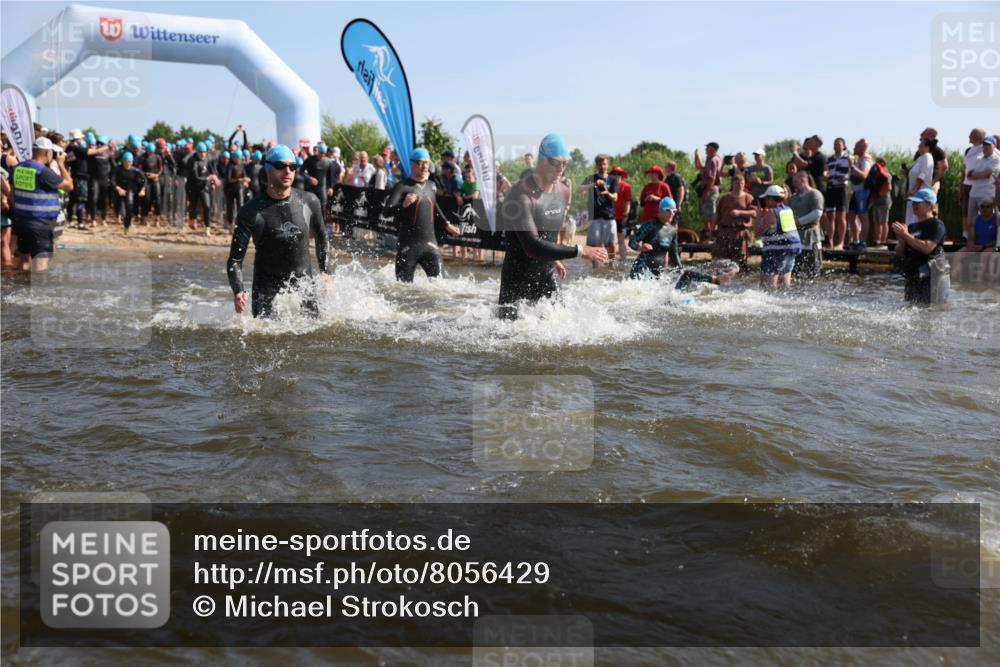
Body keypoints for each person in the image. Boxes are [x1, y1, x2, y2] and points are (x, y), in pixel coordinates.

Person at [497, 133, 607, 319]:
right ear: (541, 160)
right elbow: (532, 246)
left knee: (563, 329)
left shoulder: (563, 192)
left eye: (565, 163)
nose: (561, 168)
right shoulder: (520, 195)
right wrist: (580, 250)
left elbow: (548, 233)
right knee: (508, 338)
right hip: (518, 279)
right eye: (555, 162)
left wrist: (555, 256)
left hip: (547, 274)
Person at [227, 144, 332, 318]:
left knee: (313, 339)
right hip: (266, 290)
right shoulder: (251, 211)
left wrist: (326, 272)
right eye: (280, 166)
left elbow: (322, 236)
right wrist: (238, 290)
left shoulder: (310, 202)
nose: (287, 171)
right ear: (268, 168)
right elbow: (235, 260)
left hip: (303, 285)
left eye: (292, 167)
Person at [384, 148, 460, 282]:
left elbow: (434, 206)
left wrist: (446, 223)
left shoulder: (432, 185)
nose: (425, 167)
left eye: (427, 163)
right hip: (408, 246)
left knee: (441, 287)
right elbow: (386, 212)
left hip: (430, 244)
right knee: (403, 290)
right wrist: (404, 204)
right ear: (413, 165)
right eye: (421, 163)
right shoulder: (402, 187)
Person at [10, 137, 73, 272]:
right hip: (40, 224)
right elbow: (69, 185)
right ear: (47, 153)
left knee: (24, 260)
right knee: (40, 264)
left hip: (21, 221)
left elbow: (12, 193)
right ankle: (38, 293)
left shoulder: (17, 168)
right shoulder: (43, 172)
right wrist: (61, 164)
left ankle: (20, 291)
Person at [892, 188, 947, 305]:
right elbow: (899, 253)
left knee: (931, 312)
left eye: (917, 202)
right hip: (913, 276)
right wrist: (902, 239)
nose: (914, 205)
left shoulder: (936, 224)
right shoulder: (912, 227)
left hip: (932, 279)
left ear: (929, 205)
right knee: (911, 310)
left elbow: (928, 248)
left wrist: (906, 235)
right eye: (913, 202)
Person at [753, 184, 801, 289]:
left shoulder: (771, 212)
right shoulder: (788, 209)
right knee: (784, 287)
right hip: (790, 252)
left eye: (765, 198)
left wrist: (759, 214)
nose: (764, 201)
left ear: (770, 199)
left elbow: (757, 233)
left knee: (767, 288)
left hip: (775, 253)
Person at [579, 154, 619, 267]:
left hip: (609, 216)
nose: (602, 166)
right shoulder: (591, 178)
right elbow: (579, 190)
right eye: (600, 164)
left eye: (604, 163)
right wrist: (594, 184)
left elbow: (615, 197)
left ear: (608, 165)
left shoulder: (613, 179)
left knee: (611, 244)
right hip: (595, 216)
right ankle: (595, 268)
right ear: (596, 165)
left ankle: (611, 266)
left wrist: (607, 192)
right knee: (594, 245)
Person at [711, 171, 757, 269]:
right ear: (732, 184)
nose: (739, 185)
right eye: (737, 183)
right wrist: (712, 228)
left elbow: (754, 213)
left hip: (740, 233)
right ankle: (722, 281)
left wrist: (740, 212)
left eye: (741, 183)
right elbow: (717, 214)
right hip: (724, 232)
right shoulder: (724, 197)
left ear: (744, 184)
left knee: (739, 262)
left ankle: (739, 282)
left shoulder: (748, 198)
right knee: (721, 261)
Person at [628, 196, 682, 279]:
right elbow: (632, 242)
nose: (672, 213)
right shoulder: (650, 225)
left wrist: (680, 269)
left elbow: (674, 254)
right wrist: (640, 248)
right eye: (668, 210)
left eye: (674, 211)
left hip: (658, 274)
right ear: (660, 210)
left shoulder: (672, 231)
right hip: (641, 271)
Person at [788, 171, 825, 277]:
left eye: (795, 181)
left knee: (813, 270)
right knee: (794, 271)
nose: (794, 184)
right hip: (796, 236)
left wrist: (798, 222)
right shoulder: (794, 197)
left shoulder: (815, 194)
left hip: (811, 236)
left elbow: (817, 213)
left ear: (803, 179)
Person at [965, 136, 999, 237]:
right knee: (971, 222)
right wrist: (977, 174)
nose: (985, 147)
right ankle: (971, 243)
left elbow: (987, 174)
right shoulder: (978, 159)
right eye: (984, 145)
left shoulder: (996, 159)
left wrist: (975, 174)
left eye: (988, 145)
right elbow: (968, 175)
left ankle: (989, 244)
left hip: (987, 195)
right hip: (974, 194)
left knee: (987, 220)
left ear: (994, 146)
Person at [823, 138, 851, 250]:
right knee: (830, 216)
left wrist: (847, 177)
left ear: (844, 146)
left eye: (839, 144)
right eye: (835, 144)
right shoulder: (829, 159)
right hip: (830, 187)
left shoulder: (849, 158)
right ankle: (829, 241)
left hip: (842, 188)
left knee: (841, 216)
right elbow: (825, 171)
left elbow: (852, 172)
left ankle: (841, 242)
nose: (836, 146)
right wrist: (825, 176)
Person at [846, 139, 874, 248]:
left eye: (856, 147)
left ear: (862, 147)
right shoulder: (860, 159)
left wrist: (852, 166)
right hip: (855, 191)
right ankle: (855, 240)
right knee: (851, 216)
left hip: (863, 192)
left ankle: (863, 241)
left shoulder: (866, 160)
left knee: (863, 216)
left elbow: (864, 175)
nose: (853, 149)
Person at [186, 141, 218, 234]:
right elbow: (195, 177)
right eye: (201, 152)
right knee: (193, 206)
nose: (203, 154)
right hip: (192, 186)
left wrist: (213, 180)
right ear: (197, 152)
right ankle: (192, 219)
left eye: (204, 152)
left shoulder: (207, 159)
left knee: (207, 206)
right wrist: (209, 178)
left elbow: (213, 171)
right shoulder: (192, 161)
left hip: (203, 187)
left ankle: (207, 227)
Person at [694, 142, 723, 240]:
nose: (706, 149)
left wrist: (706, 192)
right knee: (707, 213)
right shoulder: (710, 159)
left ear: (714, 149)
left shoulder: (713, 160)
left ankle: (711, 235)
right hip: (709, 189)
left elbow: (712, 178)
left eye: (708, 147)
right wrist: (696, 156)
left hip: (711, 189)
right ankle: (708, 235)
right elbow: (700, 168)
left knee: (711, 213)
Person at [961, 128, 986, 240]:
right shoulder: (969, 150)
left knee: (983, 210)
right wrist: (961, 186)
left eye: (971, 135)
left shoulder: (985, 149)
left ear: (978, 137)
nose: (968, 136)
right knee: (966, 211)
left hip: (979, 186)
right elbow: (964, 168)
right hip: (967, 184)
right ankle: (966, 235)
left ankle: (982, 235)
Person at [113, 151, 147, 232]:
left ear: (132, 162)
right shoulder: (117, 169)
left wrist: (143, 189)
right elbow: (112, 180)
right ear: (123, 161)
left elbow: (145, 179)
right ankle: (117, 216)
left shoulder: (135, 170)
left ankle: (126, 228)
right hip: (118, 190)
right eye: (126, 161)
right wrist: (118, 188)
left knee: (129, 209)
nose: (128, 163)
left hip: (129, 191)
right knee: (117, 208)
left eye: (130, 162)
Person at [906, 140, 935, 225]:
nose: (918, 146)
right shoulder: (920, 158)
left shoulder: (927, 156)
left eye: (920, 144)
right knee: (912, 215)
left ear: (927, 147)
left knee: (918, 214)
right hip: (915, 193)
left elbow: (923, 174)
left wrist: (915, 189)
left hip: (921, 193)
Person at [866, 157, 892, 248]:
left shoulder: (886, 174)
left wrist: (879, 194)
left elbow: (889, 188)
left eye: (877, 162)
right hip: (876, 201)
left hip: (884, 201)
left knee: (884, 222)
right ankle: (877, 241)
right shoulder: (875, 174)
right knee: (876, 222)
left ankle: (883, 242)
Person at [87, 135, 113, 226]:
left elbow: (113, 168)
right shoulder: (93, 154)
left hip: (105, 180)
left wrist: (111, 179)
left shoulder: (109, 155)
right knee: (94, 199)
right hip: (94, 180)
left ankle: (103, 219)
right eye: (98, 143)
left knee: (105, 201)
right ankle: (93, 219)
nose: (98, 145)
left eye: (101, 143)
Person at [223, 150, 250, 232]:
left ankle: (240, 224)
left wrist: (246, 180)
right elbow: (228, 179)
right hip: (230, 189)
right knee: (230, 207)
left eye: (239, 158)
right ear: (233, 157)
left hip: (239, 188)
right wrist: (240, 180)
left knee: (240, 206)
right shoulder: (230, 166)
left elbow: (245, 176)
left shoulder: (241, 165)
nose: (238, 159)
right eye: (236, 158)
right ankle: (230, 224)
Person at [611, 166, 633, 268]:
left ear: (621, 175)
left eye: (618, 174)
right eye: (614, 173)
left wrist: (626, 215)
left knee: (620, 239)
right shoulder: (609, 185)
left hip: (620, 216)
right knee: (610, 240)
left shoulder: (626, 186)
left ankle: (623, 261)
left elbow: (628, 202)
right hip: (609, 215)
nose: (616, 175)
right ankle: (611, 260)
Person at [139, 141, 164, 227]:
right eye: (149, 152)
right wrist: (146, 174)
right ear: (146, 151)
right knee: (147, 199)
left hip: (155, 180)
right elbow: (139, 170)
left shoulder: (157, 157)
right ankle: (144, 219)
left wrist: (156, 175)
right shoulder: (142, 158)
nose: (150, 154)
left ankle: (157, 219)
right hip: (146, 181)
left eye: (152, 152)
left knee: (157, 200)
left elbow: (161, 169)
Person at [662, 161, 686, 227]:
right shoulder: (667, 178)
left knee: (674, 222)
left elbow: (681, 190)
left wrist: (679, 204)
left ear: (670, 168)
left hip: (674, 203)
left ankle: (674, 236)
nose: (665, 168)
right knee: (668, 221)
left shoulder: (676, 177)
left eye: (666, 167)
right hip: (668, 204)